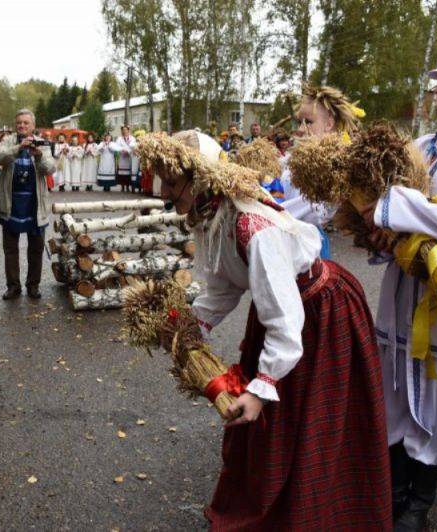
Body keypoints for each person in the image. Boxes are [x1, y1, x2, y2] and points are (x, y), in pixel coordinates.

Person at [153, 130, 391, 530]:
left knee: (310, 421)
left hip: (319, 315)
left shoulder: (253, 228)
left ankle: (316, 513)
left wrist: (262, 388)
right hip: (285, 314)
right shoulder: (216, 213)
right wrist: (191, 326)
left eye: (172, 182)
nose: (163, 192)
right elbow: (226, 282)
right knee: (276, 429)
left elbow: (285, 320)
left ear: (200, 177)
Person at [363, 48, 437, 532]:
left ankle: (419, 506)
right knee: (395, 391)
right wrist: (382, 230)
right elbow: (406, 214)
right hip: (400, 290)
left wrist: (395, 206)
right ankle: (396, 491)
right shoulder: (423, 144)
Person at [281, 84, 360, 260]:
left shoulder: (338, 166)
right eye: (298, 122)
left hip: (311, 252)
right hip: (282, 246)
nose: (301, 129)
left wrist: (270, 212)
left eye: (308, 122)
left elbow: (316, 214)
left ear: (329, 124)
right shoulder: (287, 160)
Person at [0, 109, 56, 300]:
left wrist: (38, 155)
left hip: (34, 206)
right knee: (10, 249)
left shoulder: (42, 144)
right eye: (19, 122)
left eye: (26, 123)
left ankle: (33, 285)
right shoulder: (9, 141)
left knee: (36, 248)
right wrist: (18, 148)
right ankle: (13, 286)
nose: (22, 125)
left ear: (33, 126)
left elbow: (50, 169)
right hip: (11, 205)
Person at [115, 125, 136, 192]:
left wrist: (128, 152)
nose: (124, 131)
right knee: (122, 173)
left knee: (128, 173)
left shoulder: (132, 138)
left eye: (126, 130)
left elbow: (133, 146)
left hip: (129, 157)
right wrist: (122, 151)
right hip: (122, 157)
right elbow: (117, 147)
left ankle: (127, 186)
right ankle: (122, 186)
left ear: (128, 130)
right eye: (123, 130)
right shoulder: (119, 139)